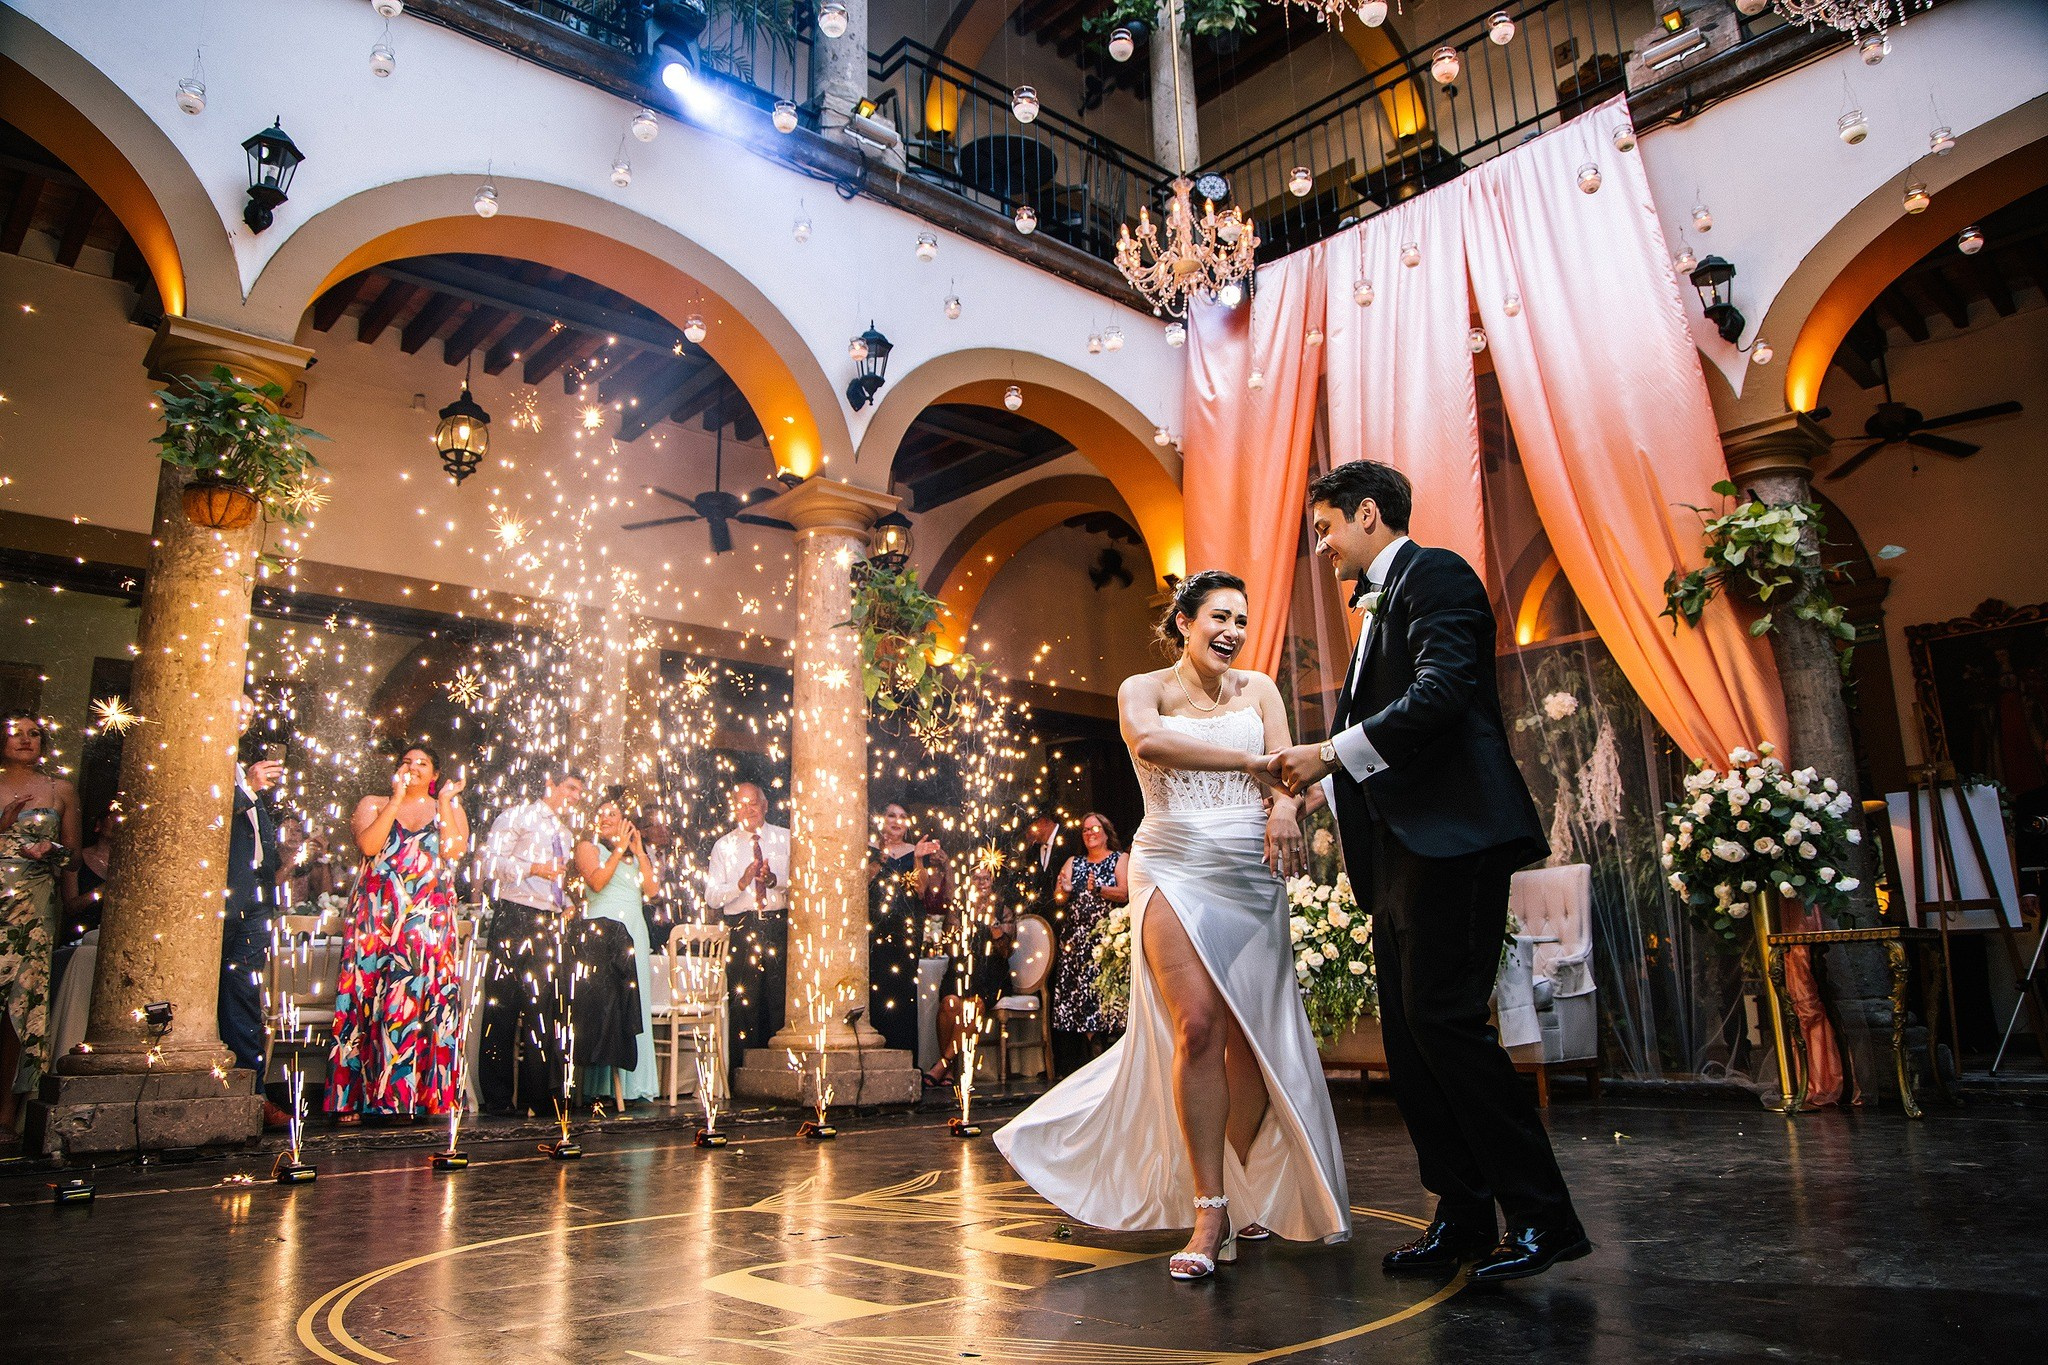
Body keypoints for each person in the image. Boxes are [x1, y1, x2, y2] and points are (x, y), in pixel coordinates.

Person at [1267, 460, 1587, 1284]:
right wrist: (1326, 787)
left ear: (1368, 513)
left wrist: (1328, 752)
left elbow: (1443, 692)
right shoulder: (1377, 603)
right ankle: (1462, 1213)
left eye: (1327, 527)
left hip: (1455, 838)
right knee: (1411, 1043)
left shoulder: (1436, 573)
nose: (1322, 545)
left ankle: (1543, 1217)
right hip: (1400, 851)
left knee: (1447, 1023)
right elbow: (1389, 725)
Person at [995, 572, 1348, 1281]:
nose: (1234, 632)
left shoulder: (1261, 690)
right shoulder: (1143, 689)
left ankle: (1239, 1183)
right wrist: (1253, 763)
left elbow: (1294, 779)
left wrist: (1285, 808)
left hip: (1253, 870)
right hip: (1174, 863)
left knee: (1251, 1039)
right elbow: (1151, 745)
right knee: (1198, 1027)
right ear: (1184, 621)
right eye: (1220, 616)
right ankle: (1209, 1208)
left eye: (1242, 620)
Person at [325, 746, 469, 1120]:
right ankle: (357, 1097)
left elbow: (454, 850)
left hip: (428, 920)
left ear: (435, 775)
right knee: (368, 997)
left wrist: (445, 802)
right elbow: (369, 845)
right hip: (378, 916)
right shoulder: (373, 803)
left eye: (423, 763)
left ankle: (421, 1096)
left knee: (422, 999)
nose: (413, 767)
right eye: (407, 762)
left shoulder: (448, 807)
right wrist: (396, 799)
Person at [476, 769, 583, 1116]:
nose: (575, 797)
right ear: (550, 784)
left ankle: (537, 1096)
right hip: (514, 916)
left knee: (542, 1009)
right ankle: (497, 1099)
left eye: (579, 792)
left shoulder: (565, 833)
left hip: (547, 920)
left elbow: (553, 882)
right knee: (502, 1005)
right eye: (570, 788)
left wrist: (566, 902)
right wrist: (535, 868)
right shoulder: (518, 816)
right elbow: (491, 863)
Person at [0, 711, 80, 1131]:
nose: (26, 740)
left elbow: (75, 859)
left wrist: (53, 850)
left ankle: (6, 1113)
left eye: (34, 734)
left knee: (22, 1005)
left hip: (34, 907)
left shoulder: (59, 788)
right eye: (16, 733)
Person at [218, 694, 286, 1126]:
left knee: (245, 994)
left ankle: (252, 1094)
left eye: (248, 712)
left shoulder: (239, 766)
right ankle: (226, 1094)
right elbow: (203, 815)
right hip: (221, 898)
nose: (244, 718)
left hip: (255, 898)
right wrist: (249, 789)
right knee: (223, 993)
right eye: (235, 708)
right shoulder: (206, 761)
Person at [572, 787, 659, 1104]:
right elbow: (596, 882)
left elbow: (652, 890)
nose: (606, 818)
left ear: (625, 821)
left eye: (613, 814)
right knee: (608, 1005)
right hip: (602, 934)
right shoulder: (588, 847)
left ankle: (635, 1084)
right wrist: (618, 849)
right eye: (601, 814)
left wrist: (638, 850)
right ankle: (603, 1086)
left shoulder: (632, 856)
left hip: (634, 931)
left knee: (636, 1004)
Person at [705, 782, 791, 1061]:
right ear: (733, 809)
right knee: (744, 1001)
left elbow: (803, 883)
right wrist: (741, 883)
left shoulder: (786, 838)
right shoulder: (723, 846)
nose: (748, 809)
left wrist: (774, 880)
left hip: (778, 924)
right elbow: (712, 897)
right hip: (742, 926)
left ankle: (780, 1068)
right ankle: (742, 1071)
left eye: (753, 803)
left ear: (765, 806)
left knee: (779, 999)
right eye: (741, 804)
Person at [924, 859, 1017, 1091]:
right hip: (961, 971)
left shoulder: (1003, 910)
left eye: (986, 878)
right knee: (949, 1003)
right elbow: (949, 946)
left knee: (973, 1007)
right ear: (970, 881)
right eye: (977, 878)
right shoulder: (959, 908)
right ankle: (949, 1070)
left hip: (990, 976)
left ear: (992, 881)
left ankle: (942, 1066)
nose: (981, 882)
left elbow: (1007, 952)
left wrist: (994, 927)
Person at [866, 803, 950, 1055]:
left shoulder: (916, 851)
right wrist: (880, 856)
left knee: (904, 992)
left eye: (903, 817)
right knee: (876, 989)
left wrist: (918, 858)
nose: (897, 821)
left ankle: (905, 1056)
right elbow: (863, 882)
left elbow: (921, 890)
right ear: (881, 820)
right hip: (875, 929)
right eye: (891, 815)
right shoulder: (869, 848)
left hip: (906, 929)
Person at [1050, 813, 1129, 1058]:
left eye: (1095, 828)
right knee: (1082, 1004)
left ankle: (1108, 1051)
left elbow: (1125, 893)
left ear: (1106, 832)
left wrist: (1099, 889)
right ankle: (1091, 1051)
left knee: (1104, 1000)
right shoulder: (1074, 862)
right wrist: (1065, 890)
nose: (1089, 833)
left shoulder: (1119, 858)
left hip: (1106, 942)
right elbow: (1058, 898)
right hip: (1076, 942)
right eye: (1085, 830)